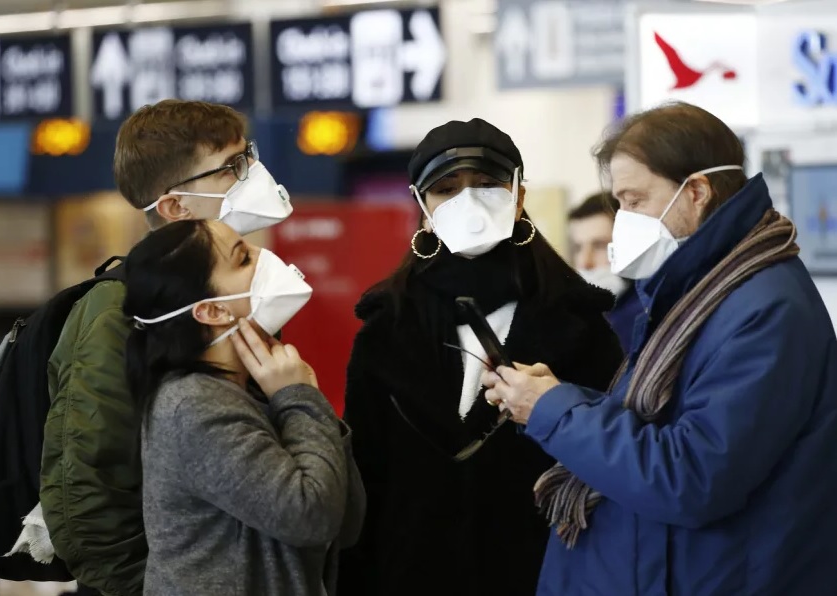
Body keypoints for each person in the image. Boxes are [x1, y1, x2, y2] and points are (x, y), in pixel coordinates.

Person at [482, 101, 837, 595]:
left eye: (634, 200)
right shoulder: (700, 289)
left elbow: (691, 477)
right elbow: (658, 425)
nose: (623, 219)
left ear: (696, 192)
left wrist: (555, 412)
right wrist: (557, 396)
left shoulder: (765, 312)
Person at [336, 118, 624, 596]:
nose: (466, 201)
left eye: (487, 185)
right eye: (446, 189)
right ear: (422, 207)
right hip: (409, 572)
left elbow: (612, 460)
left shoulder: (580, 322)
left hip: (547, 572)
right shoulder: (387, 326)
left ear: (519, 197)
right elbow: (365, 479)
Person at [40, 100, 292, 595]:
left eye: (250, 158)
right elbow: (86, 502)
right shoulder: (117, 312)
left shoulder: (236, 297)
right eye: (233, 168)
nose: (255, 175)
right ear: (176, 207)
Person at [122, 219, 364, 596]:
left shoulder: (251, 388)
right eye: (243, 259)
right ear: (212, 312)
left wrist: (298, 401)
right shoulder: (193, 406)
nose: (265, 259)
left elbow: (343, 522)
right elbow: (310, 515)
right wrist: (300, 399)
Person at [567, 192, 643, 351]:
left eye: (599, 246)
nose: (584, 262)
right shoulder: (583, 315)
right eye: (578, 248)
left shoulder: (645, 315)